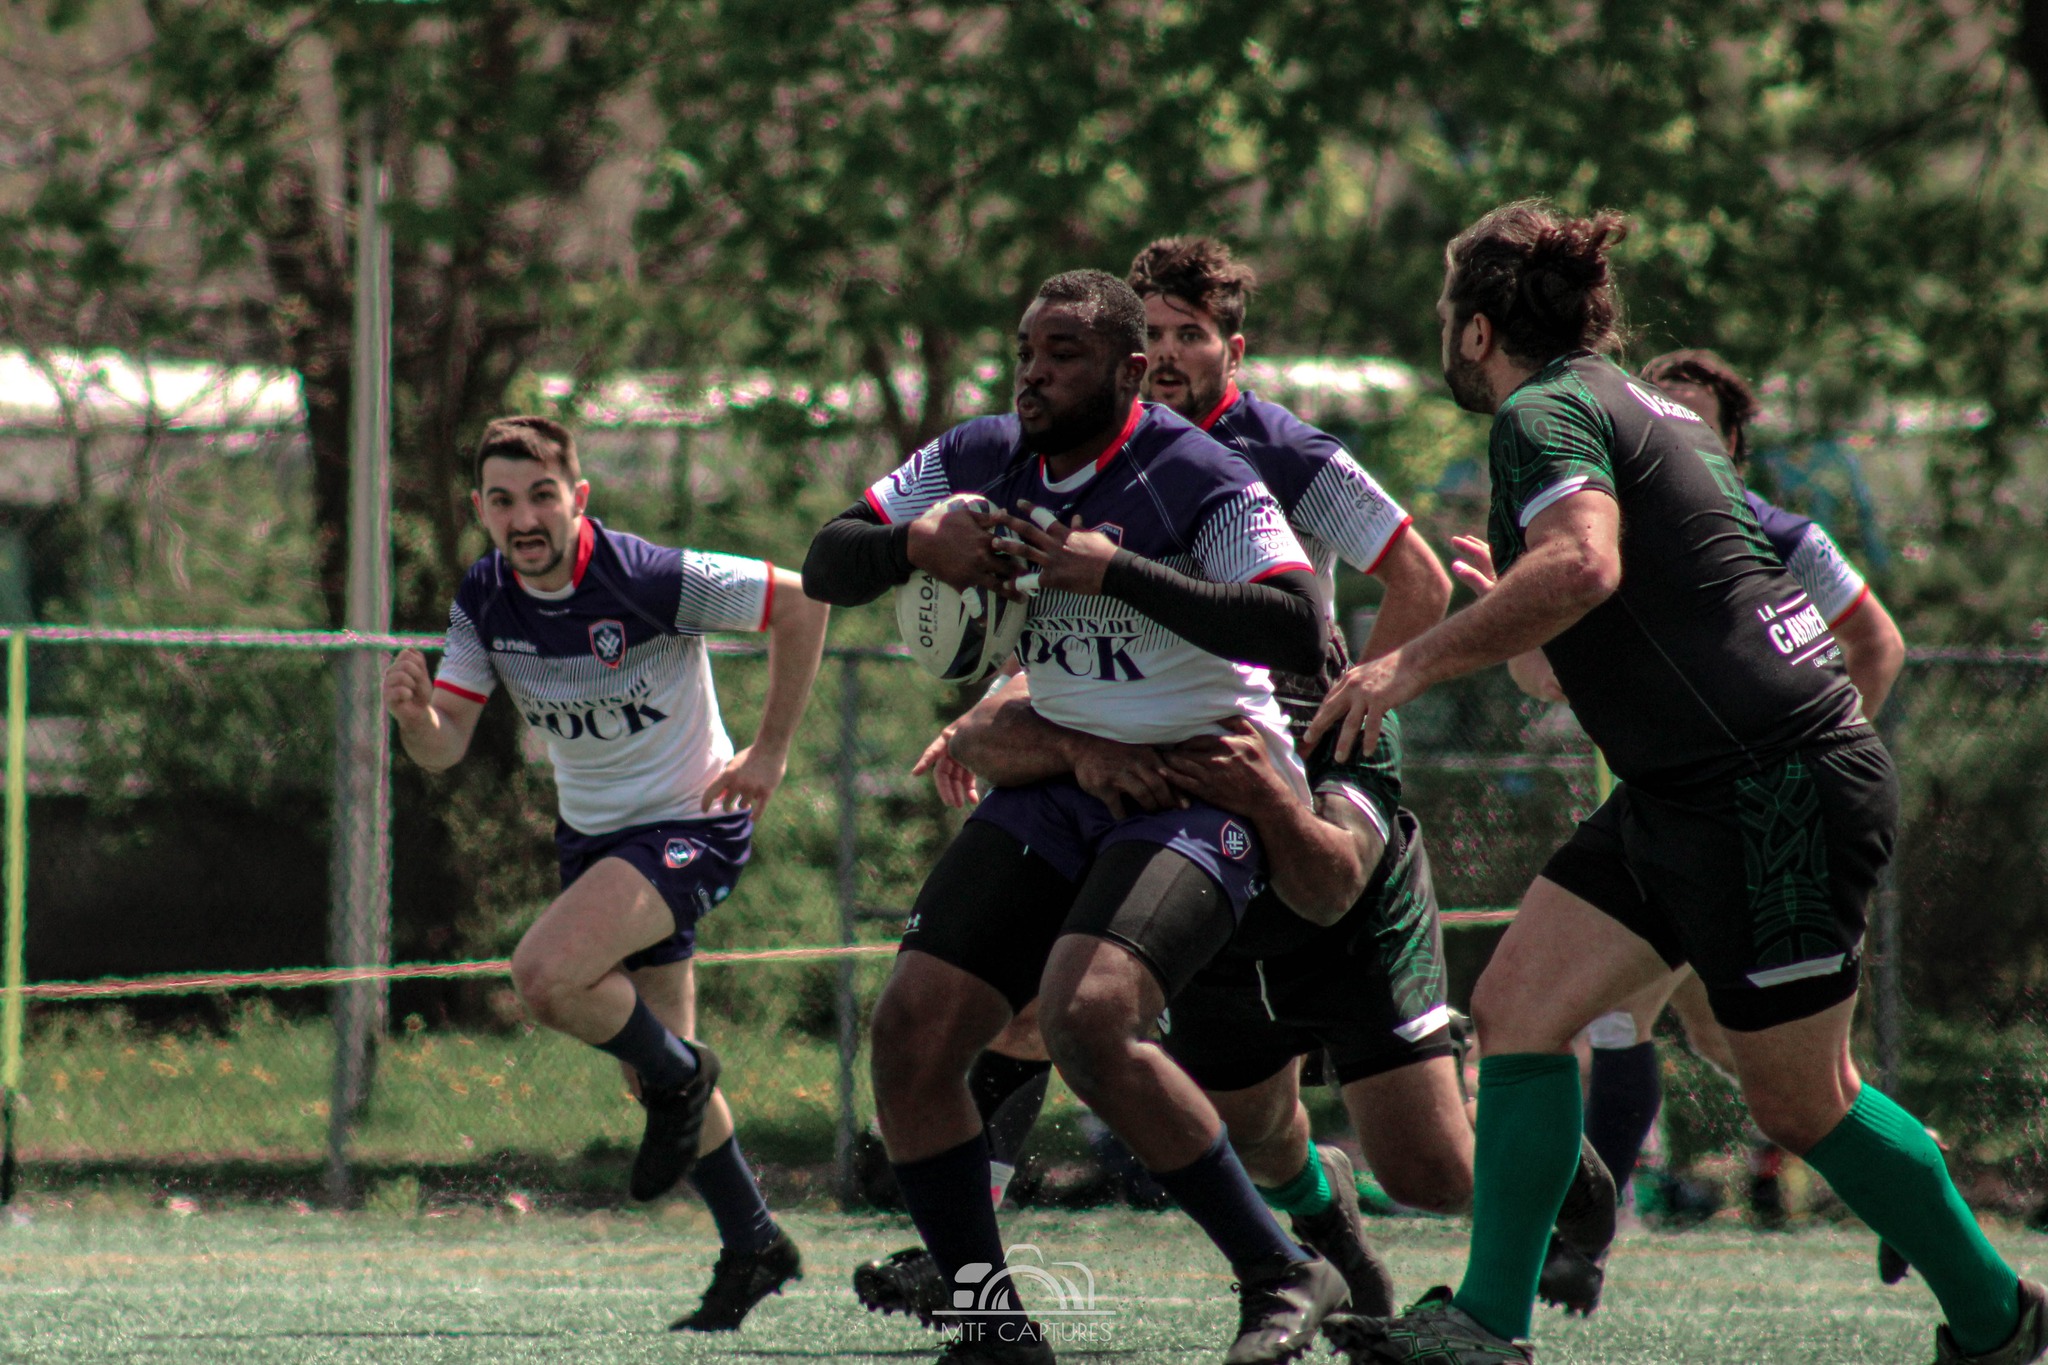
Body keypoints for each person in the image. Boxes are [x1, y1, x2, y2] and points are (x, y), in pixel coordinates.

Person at [1309, 201, 2041, 1365]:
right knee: (1519, 1010)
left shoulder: (1542, 410)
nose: (1447, 336)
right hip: (1684, 791)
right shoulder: (1643, 408)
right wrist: (1509, 611)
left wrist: (1406, 660)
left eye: (1449, 317)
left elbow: (1584, 565)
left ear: (1477, 331)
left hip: (1768, 793)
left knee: (1802, 1104)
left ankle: (1999, 1318)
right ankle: (1487, 1324)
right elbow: (1608, 619)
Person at [860, 234, 1460, 1325]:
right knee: (1062, 1030)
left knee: (1423, 1157)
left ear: (1225, 349)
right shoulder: (1030, 451)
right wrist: (992, 687)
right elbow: (1050, 633)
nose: (1172, 352)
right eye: (1157, 328)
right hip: (1153, 764)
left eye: (1192, 335)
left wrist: (1355, 706)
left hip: (1288, 759)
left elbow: (1394, 585)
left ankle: (1535, 1158)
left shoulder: (1259, 456)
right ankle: (972, 1266)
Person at [802, 270, 1347, 1365]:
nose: (1034, 374)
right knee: (910, 1030)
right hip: (1061, 781)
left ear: (1129, 370)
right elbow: (826, 559)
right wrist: (916, 547)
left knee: (1087, 1016)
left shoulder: (1198, 474)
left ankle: (1284, 1271)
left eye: (1063, 354)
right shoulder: (974, 456)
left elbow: (1305, 634)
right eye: (1025, 352)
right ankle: (986, 1321)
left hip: (1200, 781)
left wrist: (1121, 573)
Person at [382, 416, 830, 1332]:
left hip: (687, 829)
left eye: (542, 494)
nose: (525, 516)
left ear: (577, 498)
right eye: (503, 500)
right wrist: (414, 720)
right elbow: (447, 745)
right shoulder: (483, 598)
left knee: (544, 975)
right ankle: (753, 1243)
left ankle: (683, 1079)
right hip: (594, 843)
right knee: (646, 1073)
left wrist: (772, 750)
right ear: (480, 511)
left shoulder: (651, 577)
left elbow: (803, 600)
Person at [1567, 349, 1909, 1246]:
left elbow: (1877, 642)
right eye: (1657, 411)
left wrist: (1796, 769)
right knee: (1708, 1042)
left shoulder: (1780, 537)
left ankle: (1590, 1237)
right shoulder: (1607, 540)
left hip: (1752, 831)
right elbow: (1547, 676)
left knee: (1722, 1054)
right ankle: (1908, 1180)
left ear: (1732, 448)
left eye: (1695, 420)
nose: (1671, 431)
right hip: (1656, 822)